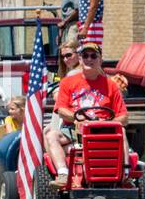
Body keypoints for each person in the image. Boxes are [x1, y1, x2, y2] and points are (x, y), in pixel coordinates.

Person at [46, 41, 128, 180]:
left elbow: (124, 118)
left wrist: (107, 122)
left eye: (93, 56)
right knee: (51, 136)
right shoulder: (67, 82)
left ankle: (125, 173)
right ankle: (63, 173)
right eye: (85, 56)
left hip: (104, 129)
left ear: (100, 60)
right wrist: (77, 118)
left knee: (122, 130)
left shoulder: (111, 85)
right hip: (74, 129)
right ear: (80, 59)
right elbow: (61, 109)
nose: (89, 59)